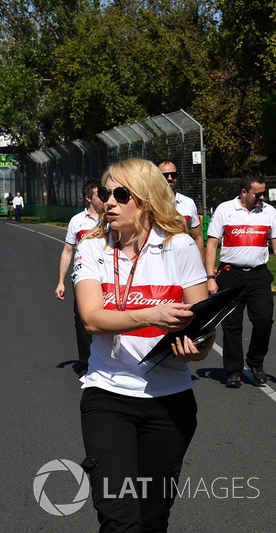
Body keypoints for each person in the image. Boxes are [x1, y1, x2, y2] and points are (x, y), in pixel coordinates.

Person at [73, 158, 211, 532]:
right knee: (119, 519)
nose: (109, 203)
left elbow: (202, 332)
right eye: (106, 194)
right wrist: (152, 315)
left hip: (171, 401)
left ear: (147, 201)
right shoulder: (92, 247)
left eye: (121, 194)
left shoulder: (180, 247)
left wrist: (194, 348)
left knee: (153, 518)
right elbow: (92, 319)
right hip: (108, 396)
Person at [205, 173, 276, 388]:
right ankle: (233, 370)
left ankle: (256, 363)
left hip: (259, 274)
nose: (262, 197)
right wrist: (210, 276)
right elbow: (212, 245)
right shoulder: (225, 210)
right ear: (244, 192)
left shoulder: (270, 212)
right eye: (257, 194)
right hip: (230, 274)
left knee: (264, 319)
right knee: (232, 324)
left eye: (263, 193)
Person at [55, 178, 102, 378]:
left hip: (109, 275)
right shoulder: (77, 221)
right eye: (100, 195)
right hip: (84, 277)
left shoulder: (112, 216)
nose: (105, 198)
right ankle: (86, 364)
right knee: (83, 321)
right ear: (88, 198)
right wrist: (61, 281)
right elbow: (67, 251)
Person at [157, 160, 204, 257]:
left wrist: (201, 266)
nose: (170, 178)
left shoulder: (188, 203)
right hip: (159, 258)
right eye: (166, 175)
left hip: (184, 258)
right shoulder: (149, 203)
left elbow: (197, 237)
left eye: (173, 175)